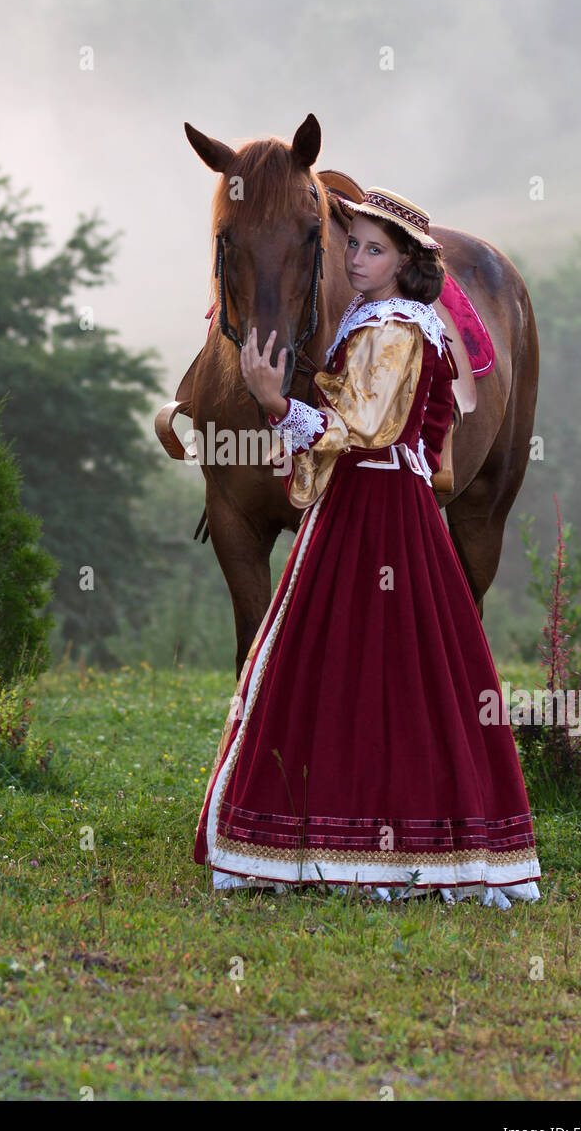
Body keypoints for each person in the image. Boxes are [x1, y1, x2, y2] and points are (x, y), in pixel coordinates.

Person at [192, 187, 541, 909]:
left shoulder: (394, 331)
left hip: (375, 512)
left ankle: (373, 839)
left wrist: (272, 402)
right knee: (376, 669)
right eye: (351, 244)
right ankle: (346, 825)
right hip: (369, 503)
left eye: (373, 249)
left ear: (404, 262)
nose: (354, 258)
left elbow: (358, 432)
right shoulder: (374, 318)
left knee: (356, 664)